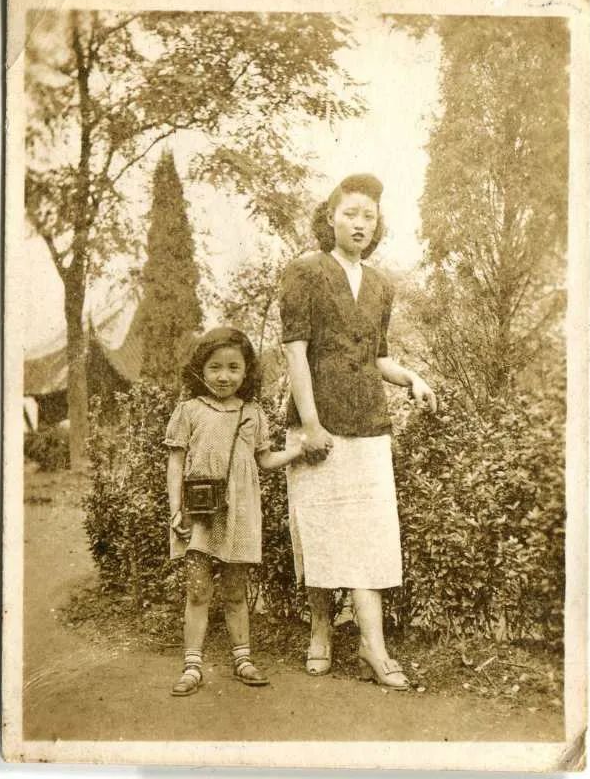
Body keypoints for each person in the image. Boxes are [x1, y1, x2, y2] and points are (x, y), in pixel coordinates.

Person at [279, 174, 437, 690]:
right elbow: (295, 351)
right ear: (330, 218)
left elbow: (378, 357)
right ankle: (320, 632)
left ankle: (373, 646)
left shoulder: (382, 285)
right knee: (320, 529)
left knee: (370, 535)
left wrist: (411, 378)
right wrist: (310, 425)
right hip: (317, 425)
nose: (360, 223)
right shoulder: (304, 271)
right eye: (350, 213)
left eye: (369, 215)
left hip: (369, 426)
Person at [165, 326, 303, 696]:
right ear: (200, 369)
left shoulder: (253, 413)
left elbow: (265, 459)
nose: (224, 376)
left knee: (236, 590)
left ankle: (242, 659)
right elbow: (175, 463)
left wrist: (298, 451)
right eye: (214, 367)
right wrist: (176, 509)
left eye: (233, 367)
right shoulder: (189, 411)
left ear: (246, 371)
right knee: (198, 591)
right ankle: (192, 666)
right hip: (198, 515)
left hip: (240, 513)